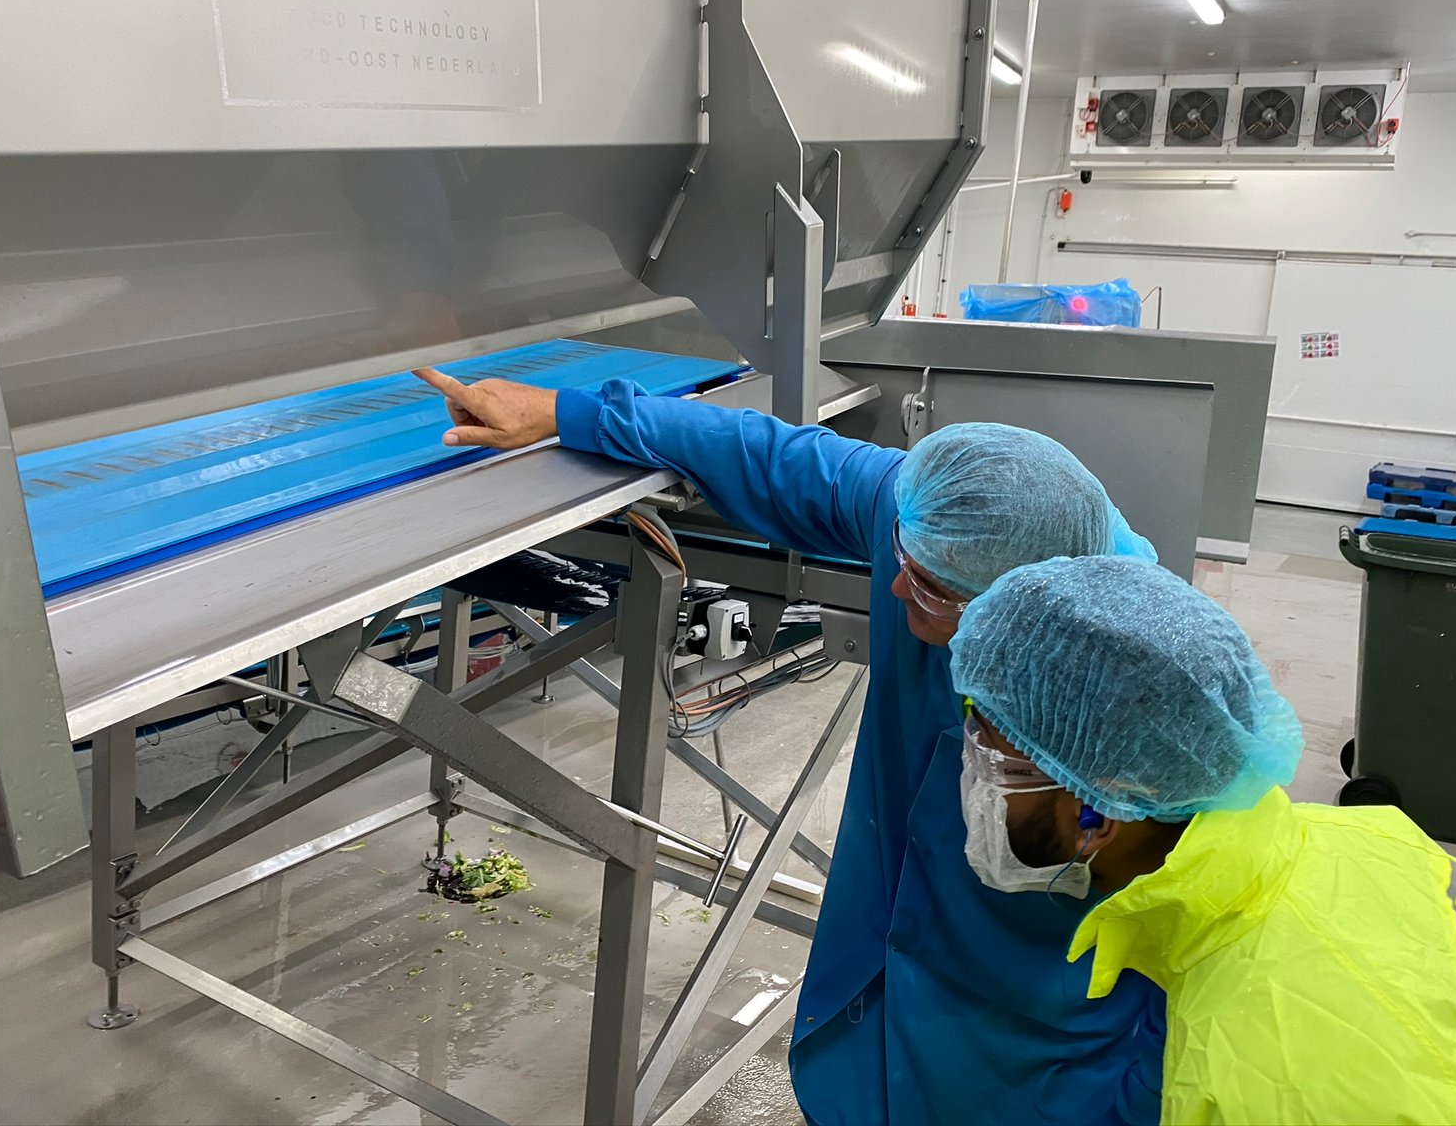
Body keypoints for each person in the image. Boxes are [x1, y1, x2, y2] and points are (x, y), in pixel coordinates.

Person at [411, 365, 1166, 1125]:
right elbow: (771, 455)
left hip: (1044, 1069)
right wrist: (565, 413)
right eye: (900, 560)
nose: (895, 588)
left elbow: (1203, 957)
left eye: (930, 589)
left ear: (1017, 612)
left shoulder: (1153, 702)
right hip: (887, 1011)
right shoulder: (946, 521)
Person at [951, 556, 1456, 1124]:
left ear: (1097, 814)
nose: (974, 781)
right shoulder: (1372, 838)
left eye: (995, 763)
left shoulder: (1256, 1077)